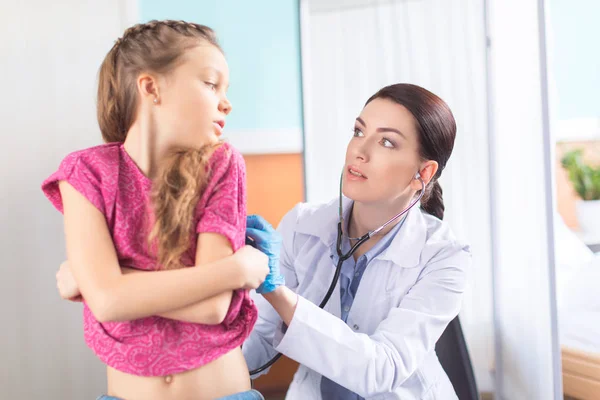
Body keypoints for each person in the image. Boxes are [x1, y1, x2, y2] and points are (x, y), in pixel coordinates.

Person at [42, 20, 271, 400]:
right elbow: (110, 302)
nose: (226, 102)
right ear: (151, 87)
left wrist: (100, 282)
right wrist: (234, 270)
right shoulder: (85, 172)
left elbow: (213, 307)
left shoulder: (222, 165)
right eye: (211, 84)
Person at [243, 83, 472, 399]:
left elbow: (382, 369)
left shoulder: (445, 257)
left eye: (387, 142)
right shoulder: (302, 226)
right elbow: (257, 346)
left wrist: (278, 293)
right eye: (358, 131)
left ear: (424, 172)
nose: (359, 151)